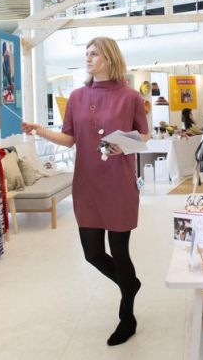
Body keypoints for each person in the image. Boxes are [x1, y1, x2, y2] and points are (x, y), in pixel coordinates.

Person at [21, 36, 149, 346]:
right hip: (88, 183)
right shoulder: (77, 96)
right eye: (87, 54)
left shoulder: (131, 97)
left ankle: (127, 316)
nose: (89, 59)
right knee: (92, 253)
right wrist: (40, 130)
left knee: (120, 252)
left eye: (94, 54)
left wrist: (124, 146)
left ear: (109, 58)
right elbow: (69, 139)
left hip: (119, 182)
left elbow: (143, 136)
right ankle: (130, 285)